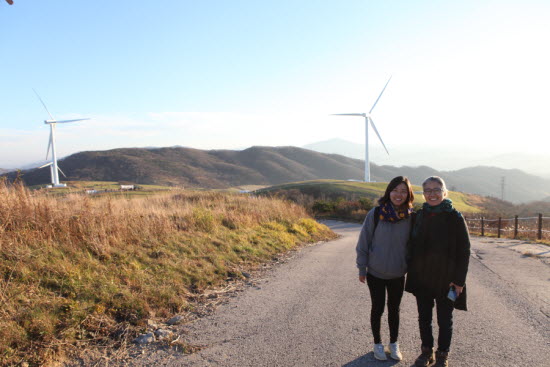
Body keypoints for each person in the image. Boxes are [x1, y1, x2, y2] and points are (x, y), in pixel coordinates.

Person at [405, 176, 470, 367]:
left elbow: (464, 251)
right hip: (422, 276)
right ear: (423, 194)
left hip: (447, 278)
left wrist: (459, 281)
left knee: (444, 320)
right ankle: (426, 352)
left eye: (436, 189)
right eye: (428, 190)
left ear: (444, 192)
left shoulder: (455, 217)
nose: (432, 194)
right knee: (424, 317)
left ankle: (442, 354)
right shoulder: (418, 216)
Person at [356, 176, 415, 361]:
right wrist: (361, 267)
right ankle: (377, 344)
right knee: (378, 308)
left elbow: (414, 245)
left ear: (408, 194)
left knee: (394, 309)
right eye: (395, 190)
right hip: (375, 271)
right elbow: (363, 241)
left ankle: (394, 344)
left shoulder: (411, 217)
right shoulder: (375, 213)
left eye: (403, 191)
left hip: (398, 272)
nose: (399, 194)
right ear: (389, 191)